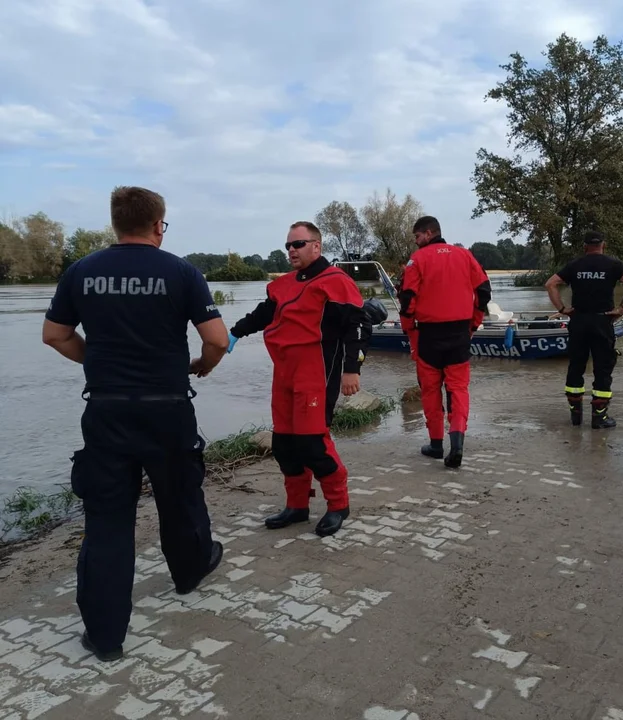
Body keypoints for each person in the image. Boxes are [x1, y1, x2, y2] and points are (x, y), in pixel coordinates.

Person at [42, 186, 230, 663]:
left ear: (114, 224)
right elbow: (217, 339)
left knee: (107, 519)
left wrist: (95, 362)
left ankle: (106, 638)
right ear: (157, 225)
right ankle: (188, 574)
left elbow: (54, 335)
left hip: (107, 410)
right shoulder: (182, 271)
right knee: (180, 497)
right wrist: (202, 367)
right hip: (167, 408)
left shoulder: (82, 271)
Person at [227, 221, 373, 537]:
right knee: (284, 444)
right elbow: (263, 315)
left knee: (312, 443)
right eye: (288, 246)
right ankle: (297, 506)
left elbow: (358, 327)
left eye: (298, 244)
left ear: (316, 246)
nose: (291, 250)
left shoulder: (335, 281)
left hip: (317, 372)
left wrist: (352, 369)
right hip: (285, 372)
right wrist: (233, 333)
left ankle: (338, 505)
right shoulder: (283, 285)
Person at [398, 216, 491, 468]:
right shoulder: (464, 255)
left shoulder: (417, 260)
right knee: (458, 389)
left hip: (428, 334)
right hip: (459, 333)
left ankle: (437, 445)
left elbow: (407, 301)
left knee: (430, 390)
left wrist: (410, 333)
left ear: (428, 234)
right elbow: (483, 291)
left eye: (417, 237)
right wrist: (473, 324)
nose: (416, 242)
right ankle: (457, 444)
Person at [544, 230, 623, 429]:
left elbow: (551, 284)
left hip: (578, 322)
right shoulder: (613, 264)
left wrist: (562, 309)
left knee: (576, 367)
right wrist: (621, 309)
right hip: (602, 321)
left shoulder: (575, 265)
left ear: (585, 246)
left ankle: (576, 416)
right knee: (602, 368)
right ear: (603, 245)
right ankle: (599, 417)